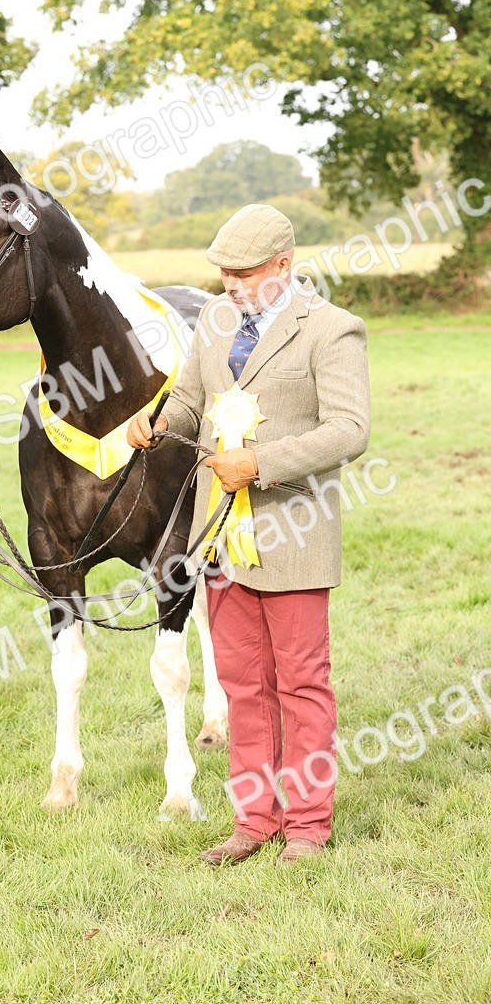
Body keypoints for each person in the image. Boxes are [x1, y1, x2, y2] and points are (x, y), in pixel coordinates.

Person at [126, 203, 371, 864]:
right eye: (224, 272)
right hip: (219, 541)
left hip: (293, 535)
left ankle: (308, 829)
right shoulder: (213, 321)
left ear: (284, 265)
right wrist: (155, 419)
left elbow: (351, 430)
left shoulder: (332, 330)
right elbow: (190, 399)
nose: (229, 284)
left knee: (302, 686)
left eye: (243, 272)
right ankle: (253, 822)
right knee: (241, 686)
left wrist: (259, 464)